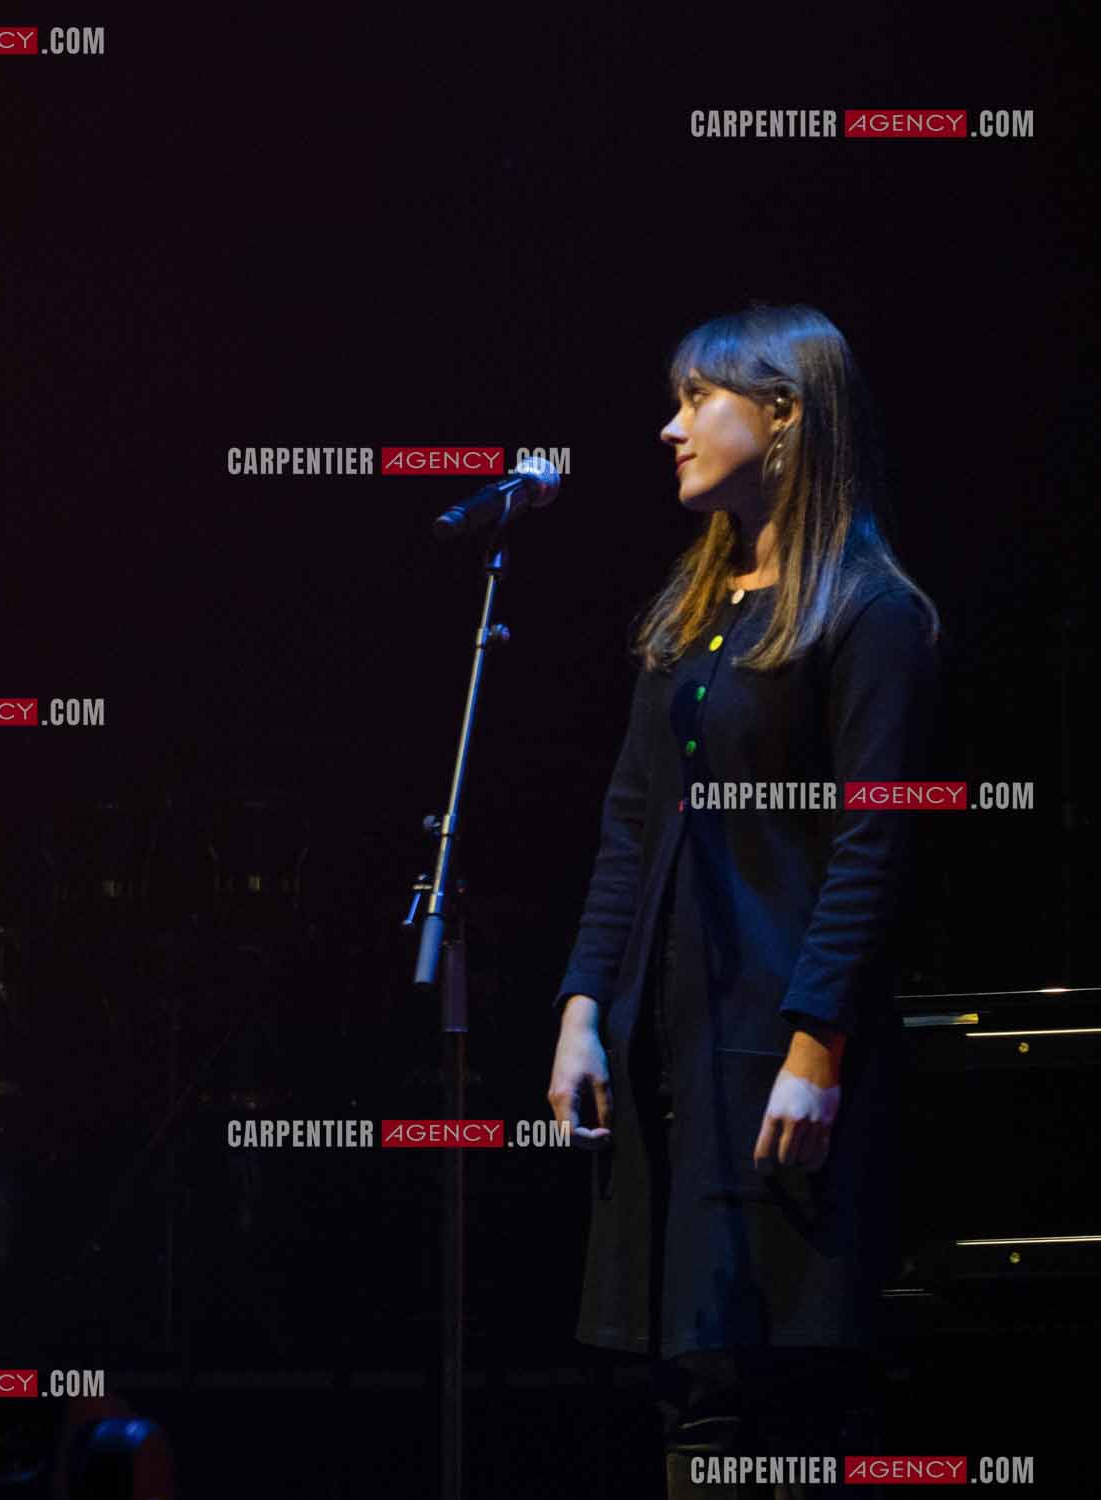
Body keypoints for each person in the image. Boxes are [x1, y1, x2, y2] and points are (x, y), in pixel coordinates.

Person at [544, 306, 940, 1499]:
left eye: (697, 400)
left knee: (785, 1375)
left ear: (784, 416)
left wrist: (816, 1043)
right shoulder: (692, 610)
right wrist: (580, 1003)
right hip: (671, 1042)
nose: (671, 428)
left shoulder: (871, 614)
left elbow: (879, 839)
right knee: (696, 1378)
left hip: (779, 1045)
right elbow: (631, 821)